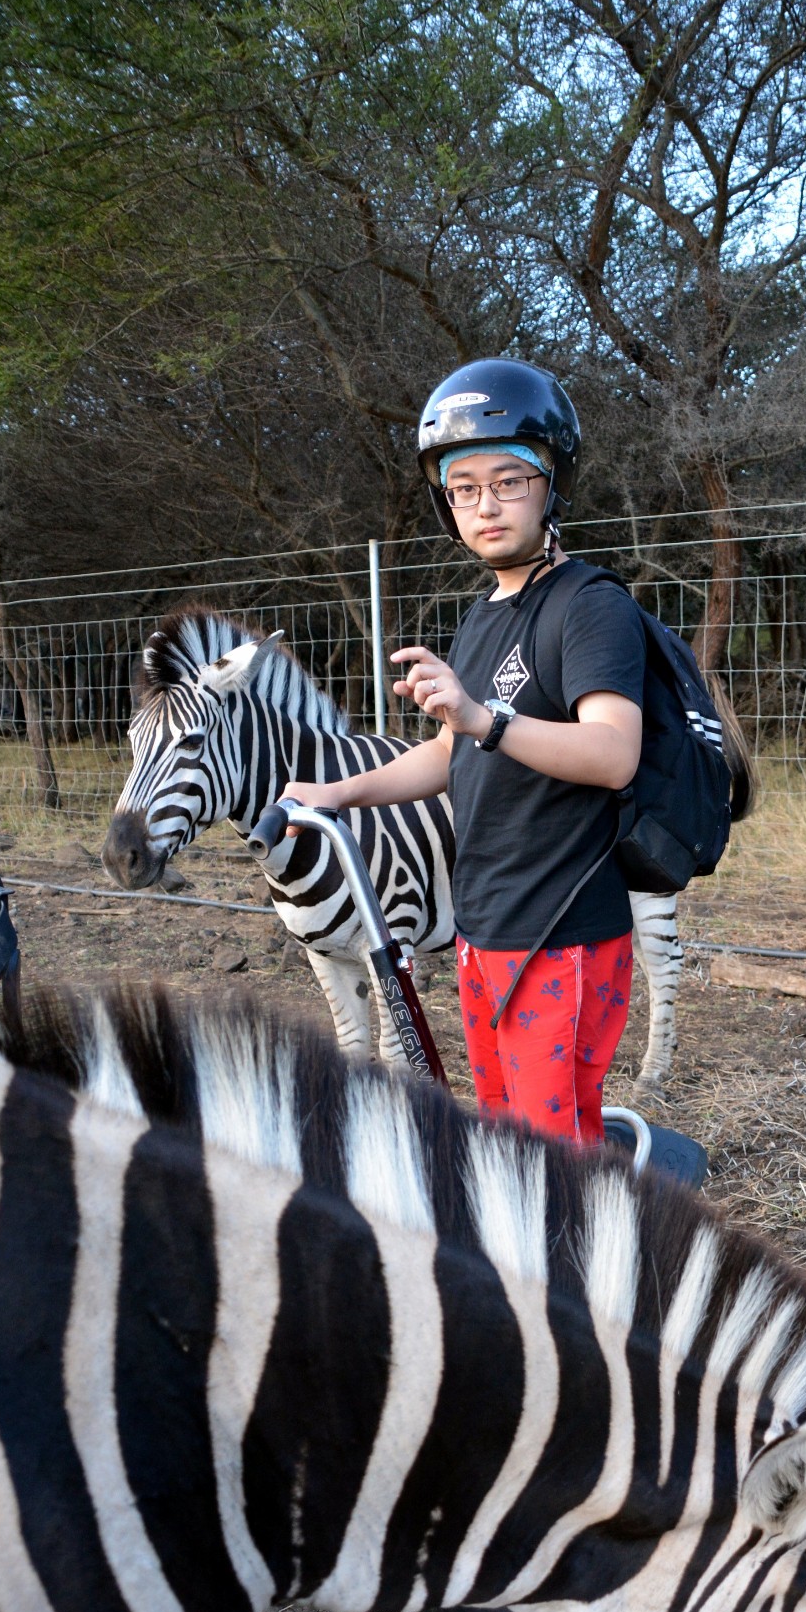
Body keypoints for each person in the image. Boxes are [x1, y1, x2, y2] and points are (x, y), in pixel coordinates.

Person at [281, 358, 645, 1144]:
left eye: (509, 481)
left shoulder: (589, 606)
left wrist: (484, 718)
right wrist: (339, 794)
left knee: (553, 1154)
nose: (486, 506)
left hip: (564, 928)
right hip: (486, 923)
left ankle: (571, 1266)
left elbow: (613, 754)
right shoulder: (483, 616)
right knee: (504, 1136)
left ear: (553, 482)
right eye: (464, 488)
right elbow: (451, 753)